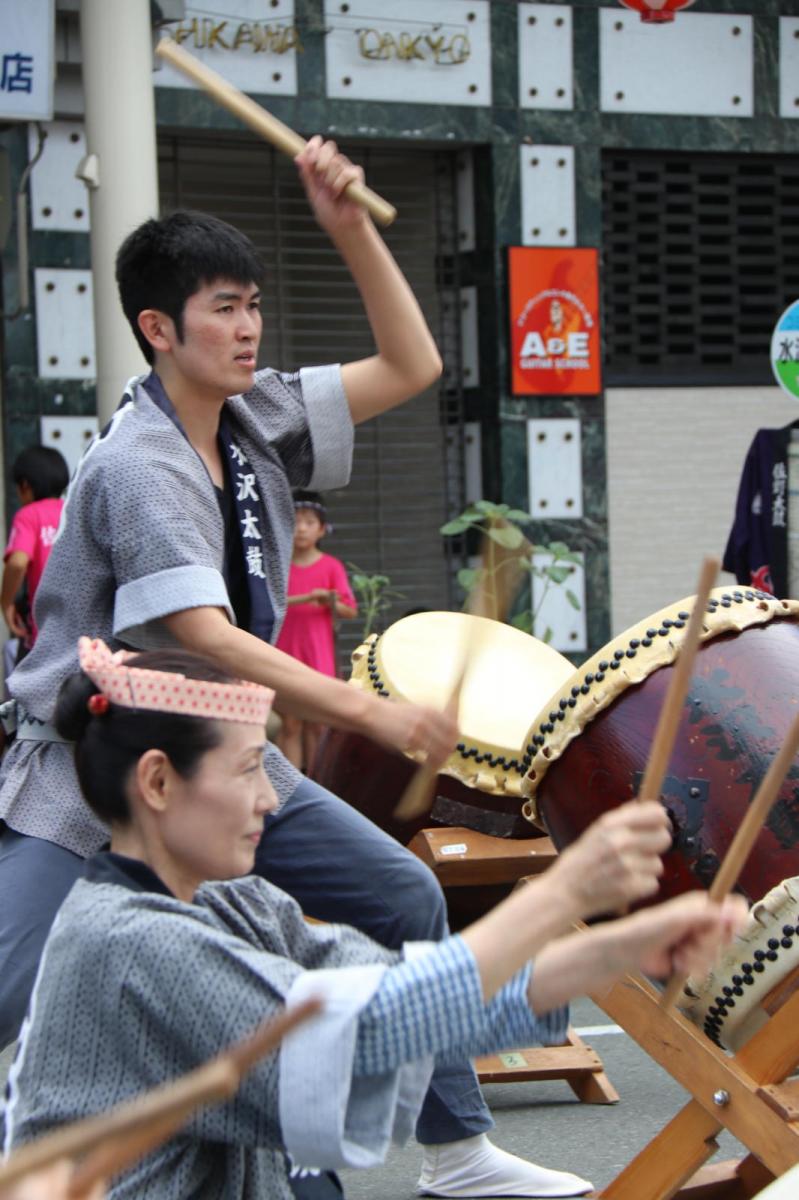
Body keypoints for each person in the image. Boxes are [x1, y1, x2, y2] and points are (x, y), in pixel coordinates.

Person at [0, 137, 583, 1197]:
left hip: (218, 754)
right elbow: (208, 633)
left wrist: (348, 225)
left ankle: (457, 1157)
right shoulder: (137, 464)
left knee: (401, 889)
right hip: (95, 767)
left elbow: (414, 368)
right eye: (224, 307)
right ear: (158, 329)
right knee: (12, 985)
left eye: (255, 303)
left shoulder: (254, 416)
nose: (249, 325)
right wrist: (377, 716)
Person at [3, 640, 746, 1200]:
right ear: (159, 781)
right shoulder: (126, 944)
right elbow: (372, 1028)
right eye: (247, 769)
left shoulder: (235, 904)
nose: (270, 799)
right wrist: (560, 896)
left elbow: (411, 997)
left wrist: (616, 949)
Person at [276, 490, 357, 770]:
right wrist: (308, 598)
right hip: (284, 653)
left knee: (318, 727)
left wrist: (329, 599)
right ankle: (290, 792)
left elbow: (349, 609)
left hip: (317, 653)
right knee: (290, 724)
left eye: (309, 522)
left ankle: (317, 785)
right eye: (295, 522)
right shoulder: (278, 566)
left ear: (321, 529)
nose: (301, 528)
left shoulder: (331, 566)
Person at [1, 445, 69, 653]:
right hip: (81, 635)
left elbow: (18, 562)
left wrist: (6, 602)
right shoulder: (72, 510)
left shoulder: (28, 515)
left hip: (44, 638)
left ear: (25, 485)